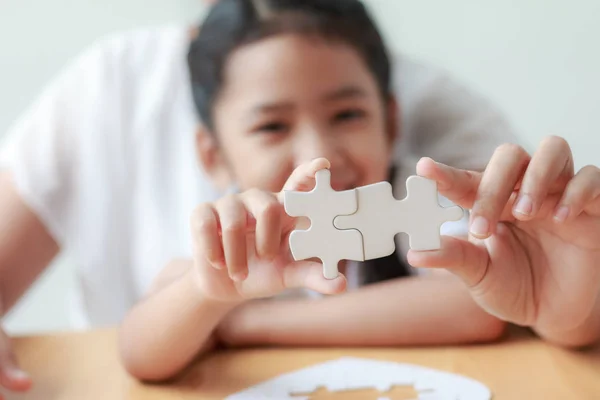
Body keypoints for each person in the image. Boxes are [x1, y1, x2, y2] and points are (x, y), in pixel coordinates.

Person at [0, 0, 592, 394]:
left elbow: (476, 310)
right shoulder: (230, 240)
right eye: (271, 127)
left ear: (391, 120)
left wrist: (244, 323)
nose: (320, 153)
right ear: (211, 155)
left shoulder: (417, 193)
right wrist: (210, 297)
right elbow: (139, 350)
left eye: (347, 114)